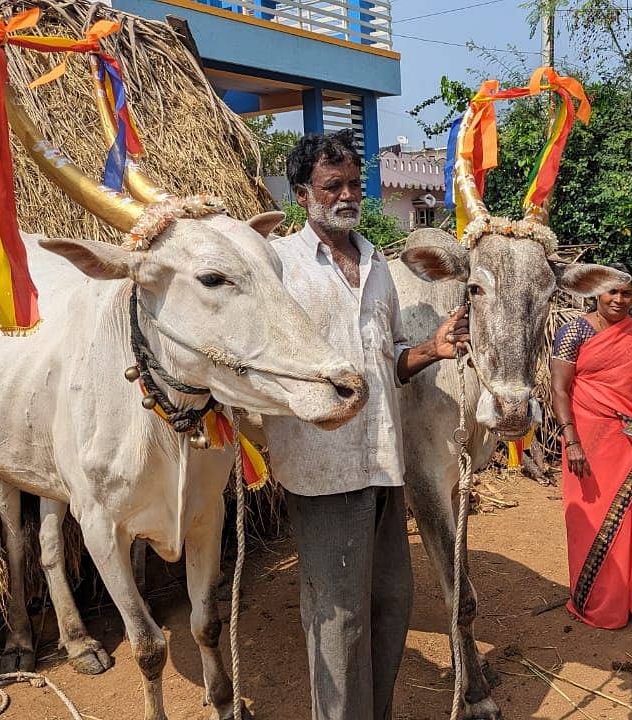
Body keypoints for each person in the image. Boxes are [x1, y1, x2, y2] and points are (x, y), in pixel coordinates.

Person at [263, 130, 469, 720]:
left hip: (384, 463)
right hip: (322, 467)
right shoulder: (279, 266)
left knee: (391, 602)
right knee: (338, 617)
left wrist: (431, 348)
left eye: (355, 183)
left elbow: (390, 361)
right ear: (303, 193)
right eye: (334, 186)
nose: (348, 195)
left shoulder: (378, 264)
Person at [549, 264, 632, 629]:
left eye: (626, 293)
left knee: (630, 521)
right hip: (586, 442)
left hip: (630, 441)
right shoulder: (573, 332)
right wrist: (572, 441)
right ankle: (594, 601)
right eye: (612, 291)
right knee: (587, 521)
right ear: (597, 292)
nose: (619, 299)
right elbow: (560, 390)